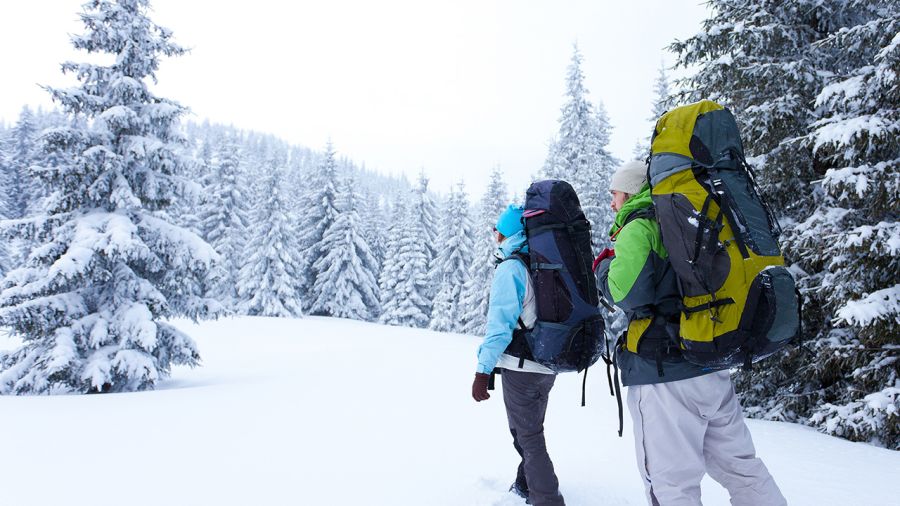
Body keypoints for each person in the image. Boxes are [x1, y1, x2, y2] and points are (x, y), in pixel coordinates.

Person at [594, 160, 787, 506]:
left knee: (672, 486)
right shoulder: (687, 217)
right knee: (744, 469)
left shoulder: (640, 227)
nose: (612, 202)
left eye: (615, 193)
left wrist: (603, 268)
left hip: (664, 374)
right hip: (709, 362)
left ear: (631, 191)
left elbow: (625, 293)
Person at [472, 204, 565, 506]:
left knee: (527, 436)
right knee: (529, 431)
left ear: (506, 234)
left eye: (497, 230)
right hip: (546, 364)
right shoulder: (540, 262)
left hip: (521, 368)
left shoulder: (512, 268)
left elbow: (499, 327)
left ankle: (547, 498)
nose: (495, 235)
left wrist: (482, 371)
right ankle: (525, 485)